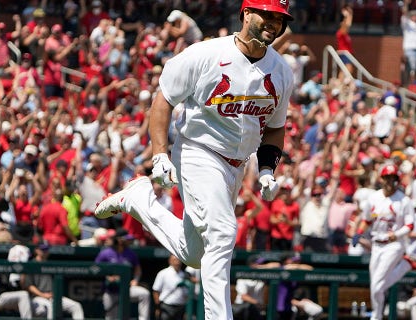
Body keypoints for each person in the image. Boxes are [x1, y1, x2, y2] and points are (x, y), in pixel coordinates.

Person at [94, 1, 295, 319]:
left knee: (195, 253)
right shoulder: (205, 55)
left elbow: (275, 128)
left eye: (279, 18)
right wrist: (160, 153)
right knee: (223, 232)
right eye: (266, 14)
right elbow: (163, 101)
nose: (273, 23)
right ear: (245, 14)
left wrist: (268, 170)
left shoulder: (282, 70)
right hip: (198, 152)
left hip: (237, 166)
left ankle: (139, 200)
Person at [352, 163, 416, 320]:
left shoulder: (404, 200)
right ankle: (405, 266)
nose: (390, 181)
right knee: (375, 286)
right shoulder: (374, 198)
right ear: (381, 179)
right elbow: (367, 220)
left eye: (393, 178)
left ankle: (375, 318)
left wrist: (397, 235)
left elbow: (410, 225)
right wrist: (358, 233)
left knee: (377, 285)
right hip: (376, 245)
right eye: (387, 178)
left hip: (394, 245)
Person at [94, 229, 151, 320]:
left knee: (144, 294)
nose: (129, 241)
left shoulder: (130, 253)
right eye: (127, 239)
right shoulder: (106, 253)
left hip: (127, 289)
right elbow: (95, 268)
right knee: (111, 317)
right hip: (111, 291)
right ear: (120, 240)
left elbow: (138, 270)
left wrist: (135, 280)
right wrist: (107, 276)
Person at [24, 243, 85, 319]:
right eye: (43, 250)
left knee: (76, 306)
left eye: (46, 250)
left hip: (52, 297)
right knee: (50, 307)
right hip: (37, 298)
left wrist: (55, 294)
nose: (45, 252)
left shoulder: (50, 264)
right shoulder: (31, 264)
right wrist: (42, 295)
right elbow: (29, 286)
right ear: (37, 250)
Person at [152, 255, 190, 320]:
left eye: (178, 260)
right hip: (166, 307)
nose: (177, 262)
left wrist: (186, 311)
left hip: (180, 308)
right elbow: (156, 290)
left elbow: (187, 294)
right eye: (174, 260)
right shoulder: (163, 273)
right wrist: (158, 307)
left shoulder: (184, 275)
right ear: (170, 261)